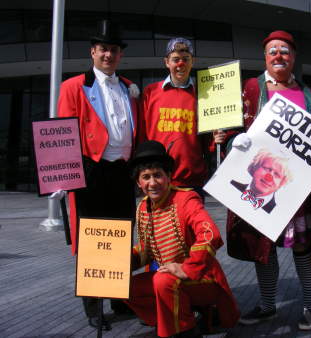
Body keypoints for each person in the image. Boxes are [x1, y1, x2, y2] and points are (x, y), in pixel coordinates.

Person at [223, 30, 311, 331]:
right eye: (273, 51)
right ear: (265, 58)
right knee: (263, 250)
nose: (279, 56)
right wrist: (233, 142)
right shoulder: (250, 89)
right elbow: (232, 131)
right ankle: (267, 306)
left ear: (294, 58)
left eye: (284, 51)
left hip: (299, 194)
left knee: (303, 249)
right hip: (262, 187)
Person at [57, 19, 139, 329]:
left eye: (114, 50)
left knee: (120, 236)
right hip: (91, 170)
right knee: (93, 239)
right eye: (103, 49)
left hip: (122, 171)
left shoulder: (129, 88)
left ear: (120, 54)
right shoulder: (73, 86)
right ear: (93, 52)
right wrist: (63, 177)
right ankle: (94, 309)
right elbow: (64, 132)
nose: (108, 55)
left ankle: (118, 300)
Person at [126, 140, 240, 338]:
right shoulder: (143, 207)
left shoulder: (186, 199)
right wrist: (118, 262)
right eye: (146, 177)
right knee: (125, 287)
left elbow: (210, 234)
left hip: (200, 277)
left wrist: (186, 268)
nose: (152, 183)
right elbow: (147, 250)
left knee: (162, 280)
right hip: (168, 278)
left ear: (169, 176)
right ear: (139, 182)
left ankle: (183, 332)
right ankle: (172, 322)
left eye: (157, 175)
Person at [139, 37, 211, 196]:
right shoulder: (150, 92)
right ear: (167, 62)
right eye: (175, 59)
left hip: (191, 180)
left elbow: (208, 141)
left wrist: (218, 137)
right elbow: (142, 135)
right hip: (157, 179)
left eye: (186, 59)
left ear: (193, 61)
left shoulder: (203, 95)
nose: (180, 64)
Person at [230, 149, 292, 213]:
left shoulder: (277, 213)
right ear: (255, 167)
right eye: (267, 168)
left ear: (281, 183)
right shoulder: (230, 185)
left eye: (277, 174)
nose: (269, 177)